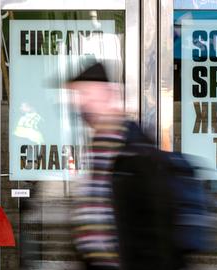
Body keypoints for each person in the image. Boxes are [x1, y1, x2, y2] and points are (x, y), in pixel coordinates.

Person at [67, 63, 179, 270]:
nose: (83, 104)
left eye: (88, 95)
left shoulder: (136, 149)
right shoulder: (98, 144)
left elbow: (157, 229)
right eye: (79, 96)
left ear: (109, 94)